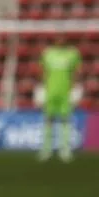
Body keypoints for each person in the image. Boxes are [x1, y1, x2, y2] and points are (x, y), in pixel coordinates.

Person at [38, 35, 81, 163]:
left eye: (63, 38)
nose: (61, 40)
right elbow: (43, 71)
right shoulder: (48, 54)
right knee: (48, 119)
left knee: (65, 120)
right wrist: (42, 87)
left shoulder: (73, 54)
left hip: (65, 92)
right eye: (58, 38)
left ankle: (65, 149)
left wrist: (75, 88)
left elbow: (76, 72)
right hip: (51, 91)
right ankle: (46, 149)